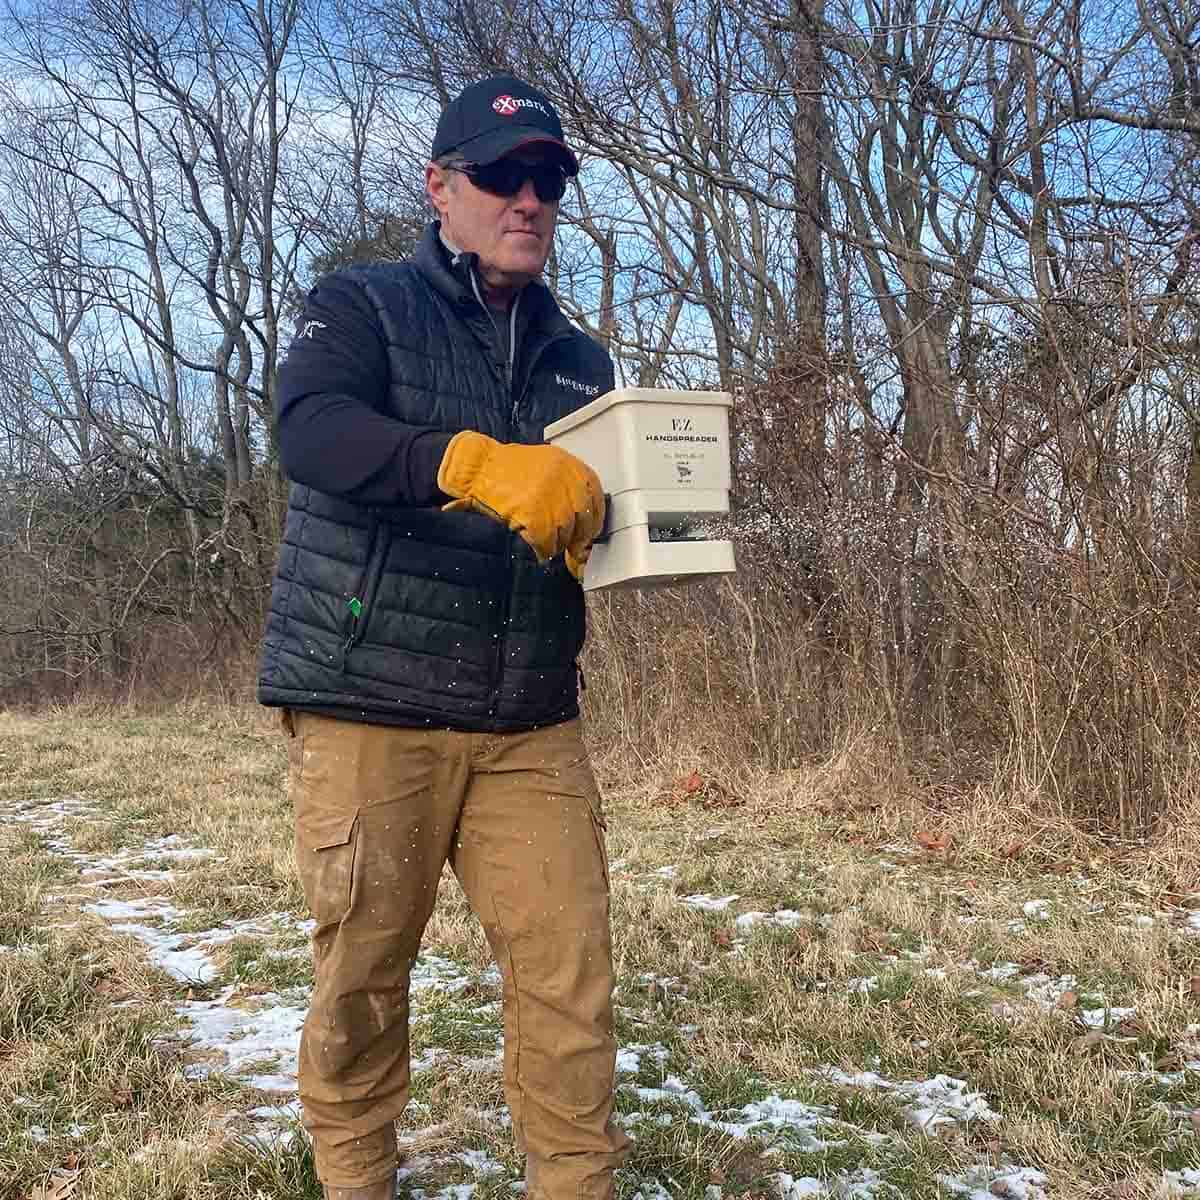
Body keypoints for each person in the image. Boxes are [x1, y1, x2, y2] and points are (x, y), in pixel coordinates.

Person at [256, 75, 631, 1200]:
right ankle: (359, 1178)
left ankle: (575, 1184)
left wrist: (633, 527)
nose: (527, 200)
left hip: (530, 716)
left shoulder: (583, 360)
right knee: (365, 972)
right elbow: (312, 431)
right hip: (373, 696)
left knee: (571, 981)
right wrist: (464, 460)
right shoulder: (361, 304)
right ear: (440, 188)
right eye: (499, 176)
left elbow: (589, 520)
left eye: (548, 180)